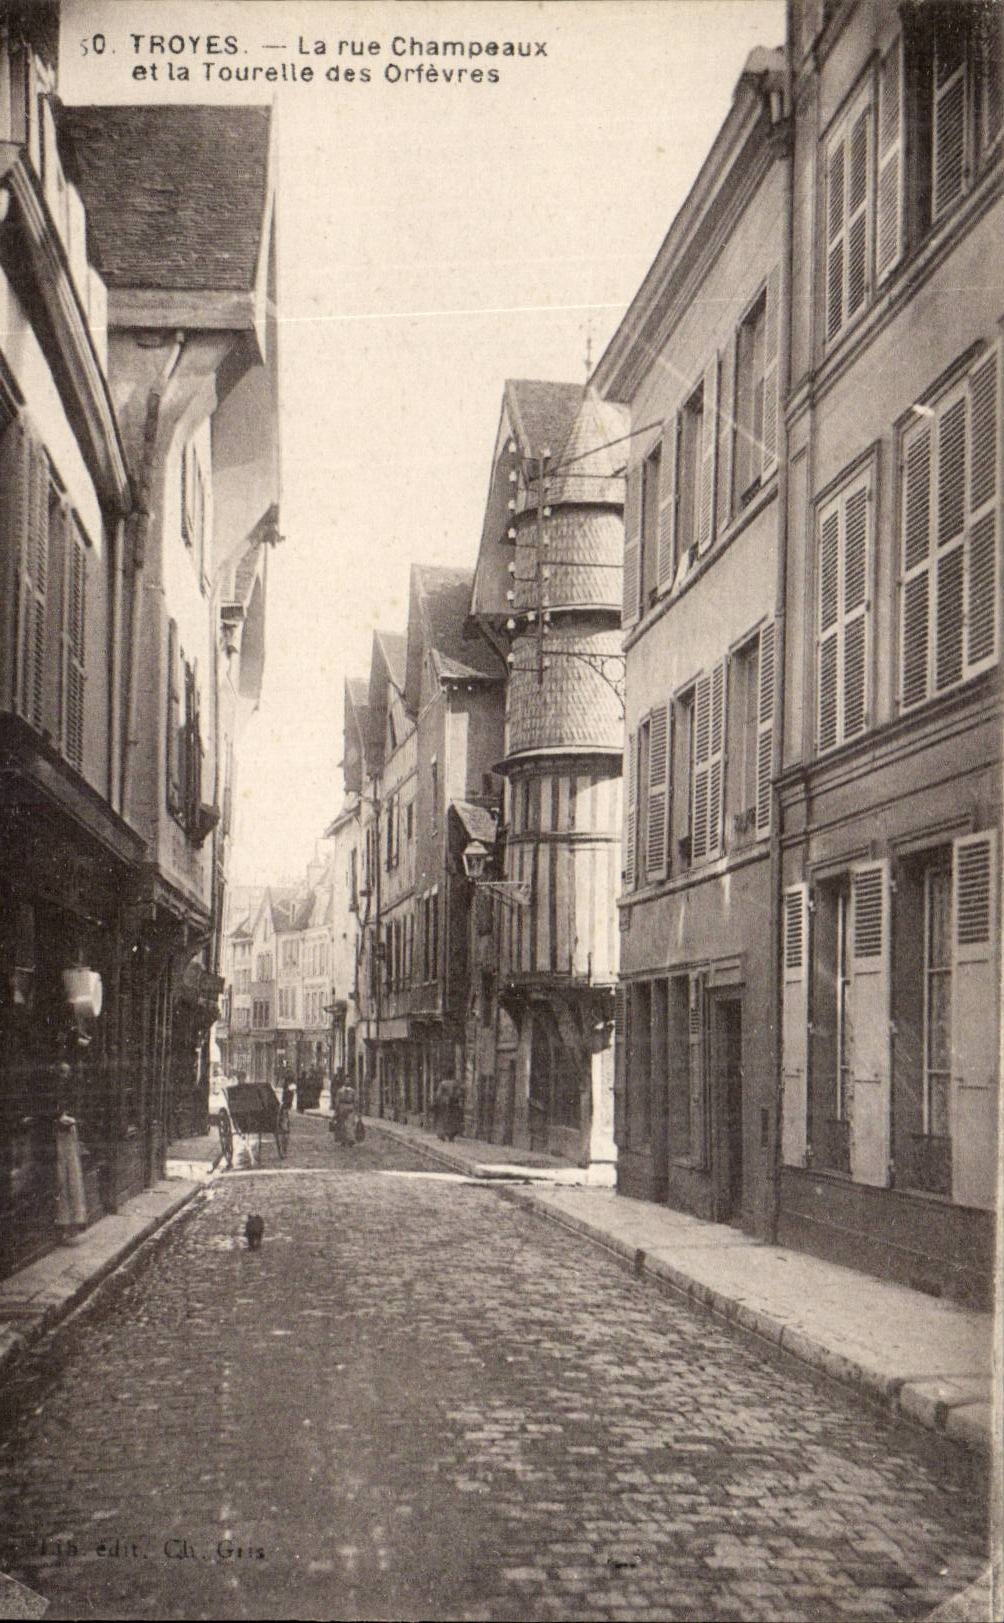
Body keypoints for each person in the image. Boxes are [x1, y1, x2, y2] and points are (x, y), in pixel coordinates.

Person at [332, 1078, 357, 1147]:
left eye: (349, 1080)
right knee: (342, 1124)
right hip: (342, 1107)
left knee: (350, 1124)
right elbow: (337, 1100)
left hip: (350, 1107)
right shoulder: (340, 1091)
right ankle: (342, 1140)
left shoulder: (353, 1091)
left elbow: (355, 1101)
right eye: (346, 1080)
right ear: (344, 1082)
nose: (347, 1082)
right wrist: (336, 1111)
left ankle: (350, 1140)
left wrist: (356, 1110)